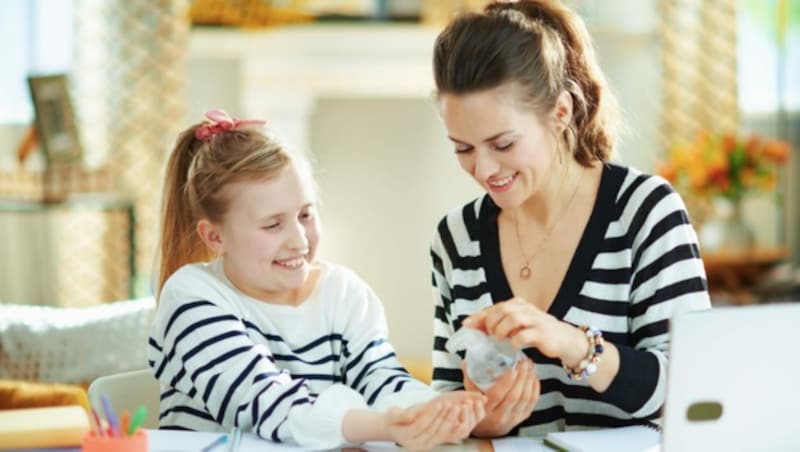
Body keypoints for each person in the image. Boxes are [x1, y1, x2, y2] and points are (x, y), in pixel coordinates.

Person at [428, 0, 711, 438]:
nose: (483, 170)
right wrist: (483, 420)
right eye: (463, 148)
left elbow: (696, 391)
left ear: (560, 113)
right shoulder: (456, 239)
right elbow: (446, 397)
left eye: (502, 144)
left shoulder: (645, 212)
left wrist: (573, 344)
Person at [148, 109, 485, 449]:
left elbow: (380, 377)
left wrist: (431, 411)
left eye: (305, 214)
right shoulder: (191, 296)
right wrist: (380, 426)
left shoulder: (344, 293)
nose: (299, 239)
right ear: (214, 237)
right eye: (272, 224)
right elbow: (264, 401)